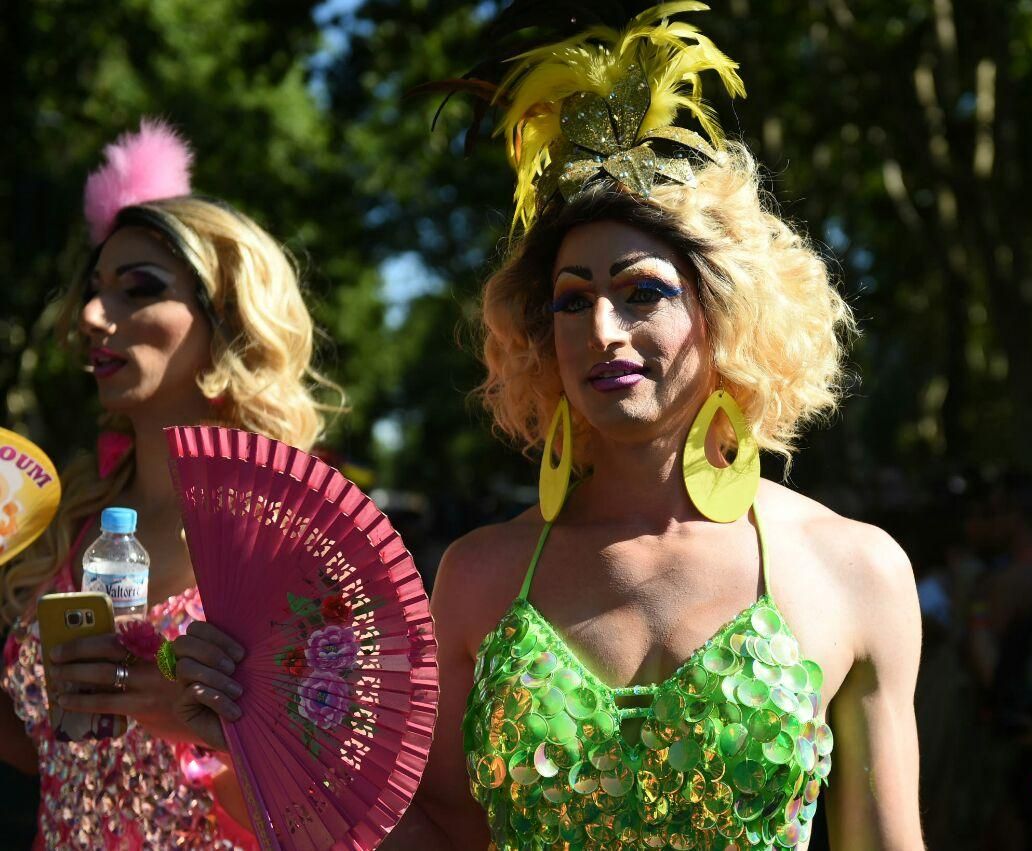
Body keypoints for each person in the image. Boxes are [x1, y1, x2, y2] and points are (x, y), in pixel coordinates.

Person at [172, 5, 925, 849]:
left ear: (725, 312)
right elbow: (439, 838)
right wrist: (253, 738)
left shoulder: (857, 570)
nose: (603, 330)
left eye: (642, 291)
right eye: (573, 300)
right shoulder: (477, 577)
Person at [0, 119, 338, 849]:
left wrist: (194, 731)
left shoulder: (295, 545)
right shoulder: (61, 523)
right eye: (94, 291)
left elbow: (337, 813)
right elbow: (37, 751)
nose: (93, 316)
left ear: (227, 320)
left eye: (136, 289)